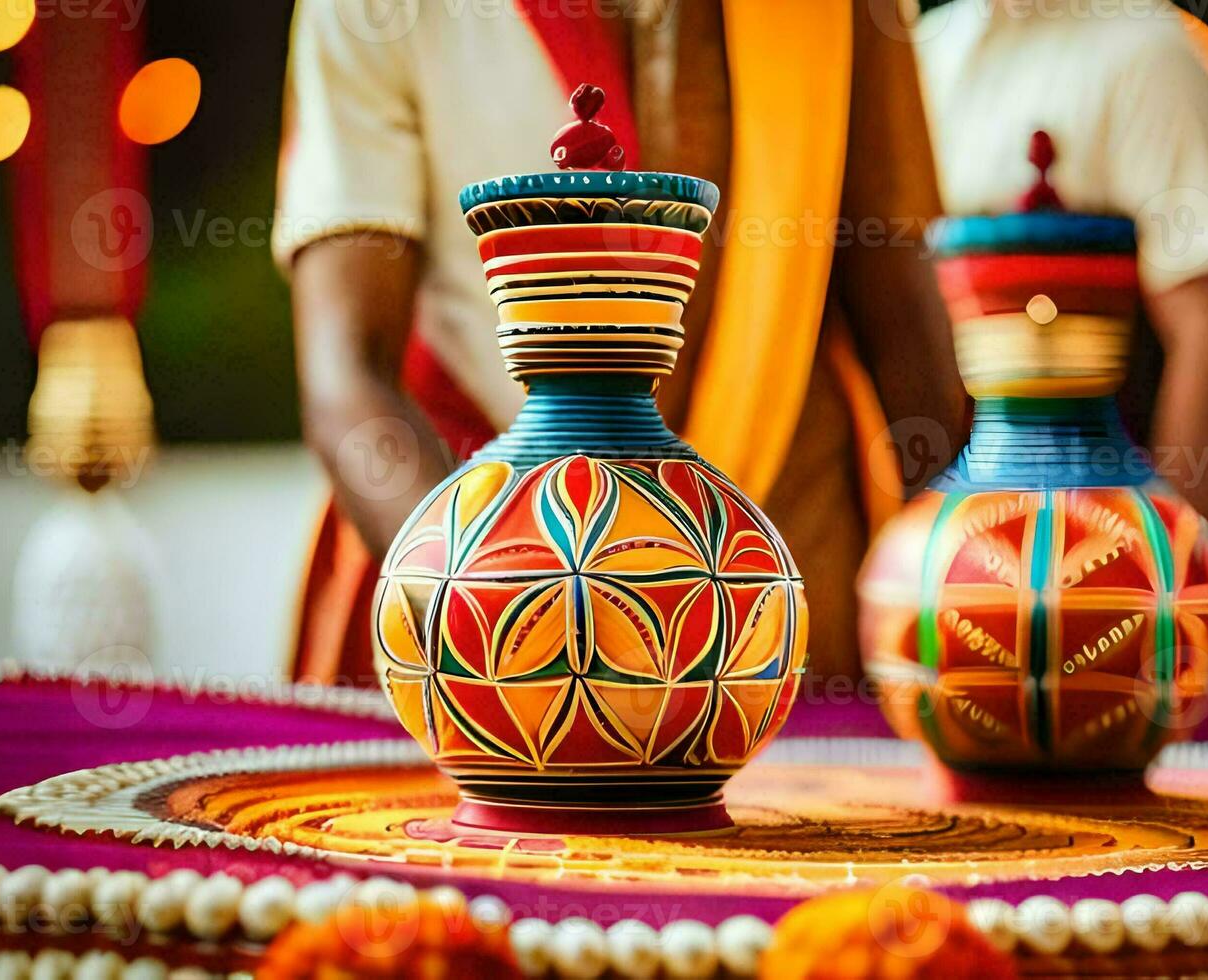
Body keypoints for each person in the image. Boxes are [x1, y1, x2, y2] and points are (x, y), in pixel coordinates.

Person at [273, 0, 965, 685]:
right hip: (479, 572)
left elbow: (905, 324)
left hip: (783, 609)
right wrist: (489, 609)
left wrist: (970, 591)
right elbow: (348, 375)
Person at [915, 0, 1208, 522]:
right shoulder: (929, 48)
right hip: (953, 541)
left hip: (1095, 544)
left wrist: (1156, 563)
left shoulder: (1148, 52)